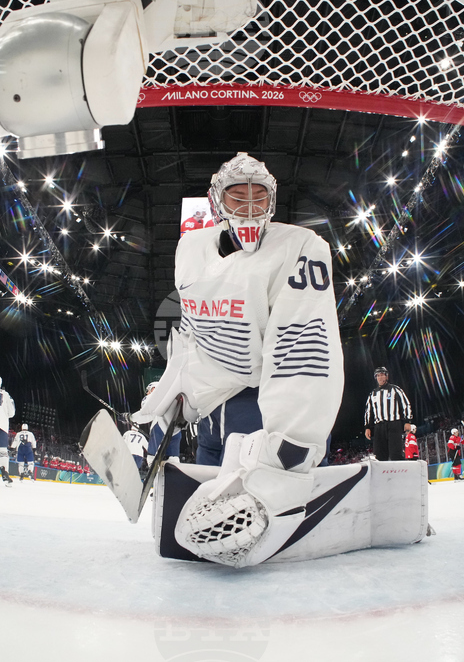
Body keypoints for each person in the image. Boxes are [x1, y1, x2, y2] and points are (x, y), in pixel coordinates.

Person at [134, 152, 344, 568]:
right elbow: (192, 335)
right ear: (216, 201)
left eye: (258, 196)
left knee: (246, 528)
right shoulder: (190, 250)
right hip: (213, 413)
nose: (249, 207)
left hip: (259, 410)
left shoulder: (300, 248)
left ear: (273, 200)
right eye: (237, 197)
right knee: (205, 525)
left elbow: (301, 342)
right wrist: (179, 391)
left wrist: (290, 442)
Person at [363, 366, 413, 461]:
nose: (380, 377)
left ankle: (400, 474)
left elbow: (405, 404)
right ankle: (384, 475)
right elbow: (368, 411)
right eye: (378, 376)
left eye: (382, 375)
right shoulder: (372, 394)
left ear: (386, 376)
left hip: (394, 424)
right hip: (379, 427)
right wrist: (367, 427)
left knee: (395, 453)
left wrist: (407, 421)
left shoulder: (395, 389)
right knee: (380, 455)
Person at [141, 381, 181, 464]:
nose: (148, 393)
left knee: (152, 455)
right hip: (176, 429)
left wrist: (130, 417)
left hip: (159, 427)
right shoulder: (174, 396)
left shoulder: (152, 397)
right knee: (173, 458)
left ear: (154, 388)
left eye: (149, 390)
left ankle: (152, 463)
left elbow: (146, 413)